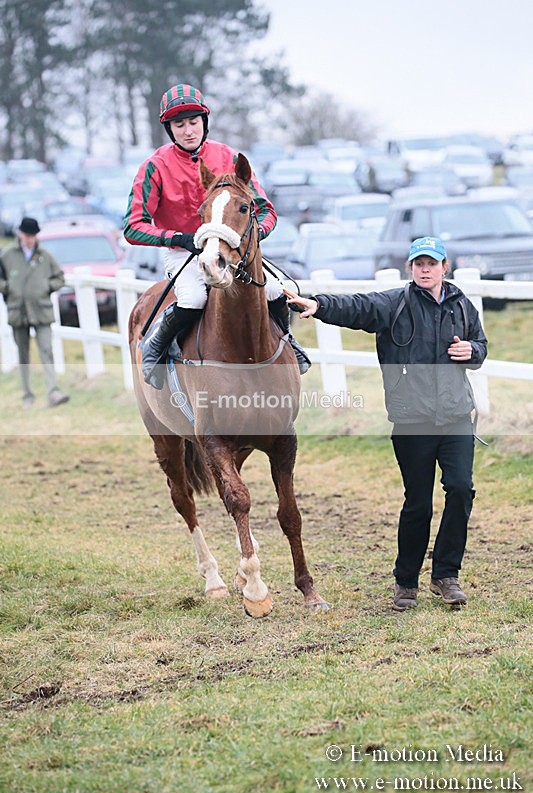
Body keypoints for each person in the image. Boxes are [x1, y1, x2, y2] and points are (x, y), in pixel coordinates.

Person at [284, 236, 488, 611]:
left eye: (432, 264)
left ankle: (446, 575)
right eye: (419, 264)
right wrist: (319, 304)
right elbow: (357, 307)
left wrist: (471, 351)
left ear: (445, 268)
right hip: (413, 421)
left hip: (457, 417)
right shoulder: (395, 303)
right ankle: (406, 583)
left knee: (460, 490)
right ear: (412, 268)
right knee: (418, 504)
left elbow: (480, 347)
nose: (425, 270)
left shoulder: (461, 306)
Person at [123, 83, 310, 388]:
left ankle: (288, 341)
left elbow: (266, 211)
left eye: (193, 122)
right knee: (195, 297)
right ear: (169, 129)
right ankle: (156, 347)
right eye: (179, 125)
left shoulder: (229, 157)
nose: (187, 131)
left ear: (204, 122)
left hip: (233, 250)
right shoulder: (154, 167)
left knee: (277, 289)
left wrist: (253, 234)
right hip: (185, 251)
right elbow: (133, 227)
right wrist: (177, 238)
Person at [0, 217, 69, 408]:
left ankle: (53, 392)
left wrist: (46, 286)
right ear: (20, 234)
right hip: (18, 311)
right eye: (27, 235)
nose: (30, 239)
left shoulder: (45, 256)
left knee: (46, 349)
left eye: (33, 235)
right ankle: (27, 395)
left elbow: (60, 278)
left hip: (41, 310)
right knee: (23, 354)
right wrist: (8, 288)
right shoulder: (7, 255)